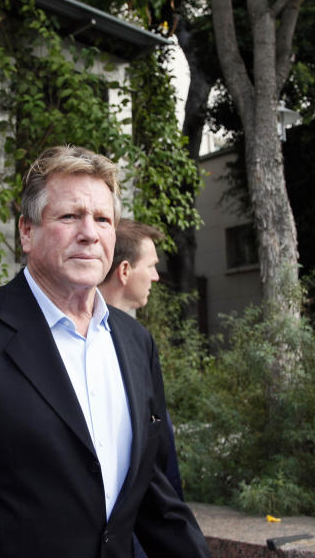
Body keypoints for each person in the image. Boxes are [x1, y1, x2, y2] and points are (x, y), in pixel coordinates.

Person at [0, 146, 209, 557]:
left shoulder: (135, 343)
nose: (89, 232)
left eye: (103, 219)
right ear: (27, 232)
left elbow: (155, 495)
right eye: (69, 216)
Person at [99, 219, 185, 558]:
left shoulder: (139, 343)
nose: (156, 276)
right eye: (150, 266)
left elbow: (158, 449)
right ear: (123, 270)